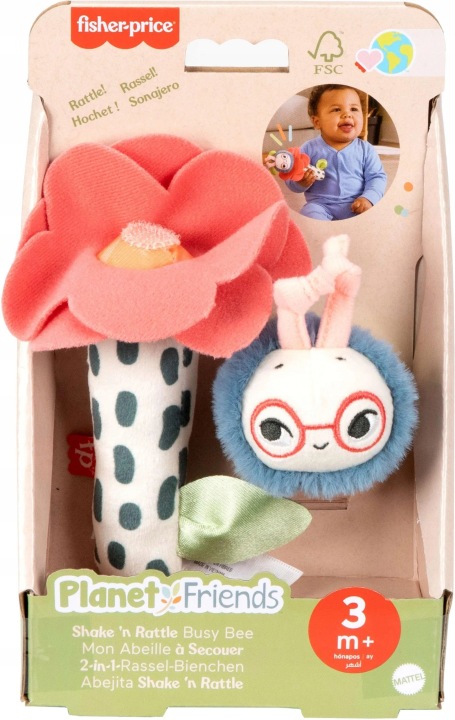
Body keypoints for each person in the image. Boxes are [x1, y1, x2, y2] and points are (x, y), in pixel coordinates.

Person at [287, 85, 387, 221]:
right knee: (309, 213)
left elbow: (377, 177)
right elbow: (291, 178)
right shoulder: (309, 149)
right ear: (317, 122)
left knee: (379, 219)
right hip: (321, 205)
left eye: (354, 109)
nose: (347, 114)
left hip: (357, 204)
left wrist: (368, 198)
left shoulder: (366, 149)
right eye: (336, 109)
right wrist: (301, 182)